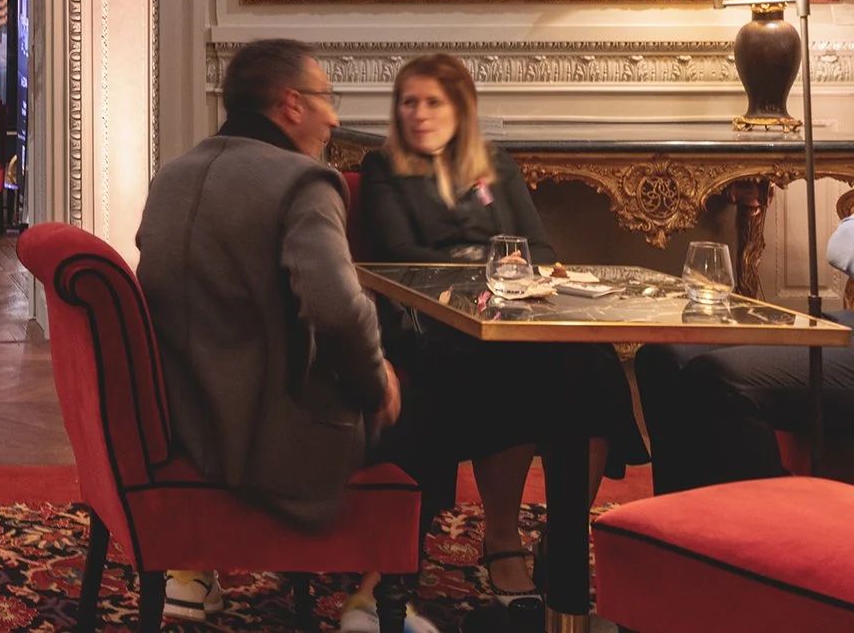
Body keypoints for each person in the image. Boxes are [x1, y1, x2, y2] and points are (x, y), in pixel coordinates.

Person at [357, 53, 647, 607]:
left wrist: (505, 272)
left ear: (461, 108)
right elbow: (401, 255)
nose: (418, 113)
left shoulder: (494, 162)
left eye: (433, 102)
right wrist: (492, 264)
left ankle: (563, 540)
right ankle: (503, 537)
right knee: (517, 367)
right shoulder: (383, 167)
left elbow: (540, 249)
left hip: (509, 312)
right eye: (408, 102)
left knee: (593, 362)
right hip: (431, 324)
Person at [134, 39, 398, 620]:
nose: (334, 116)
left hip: (178, 427)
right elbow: (338, 312)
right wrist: (378, 384)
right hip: (262, 444)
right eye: (326, 97)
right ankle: (375, 602)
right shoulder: (305, 181)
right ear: (291, 104)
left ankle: (192, 573)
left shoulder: (174, 174)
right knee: (433, 405)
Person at [636, 213, 854, 493]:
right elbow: (841, 244)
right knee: (664, 358)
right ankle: (677, 527)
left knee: (717, 378)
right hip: (843, 323)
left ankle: (762, 527)